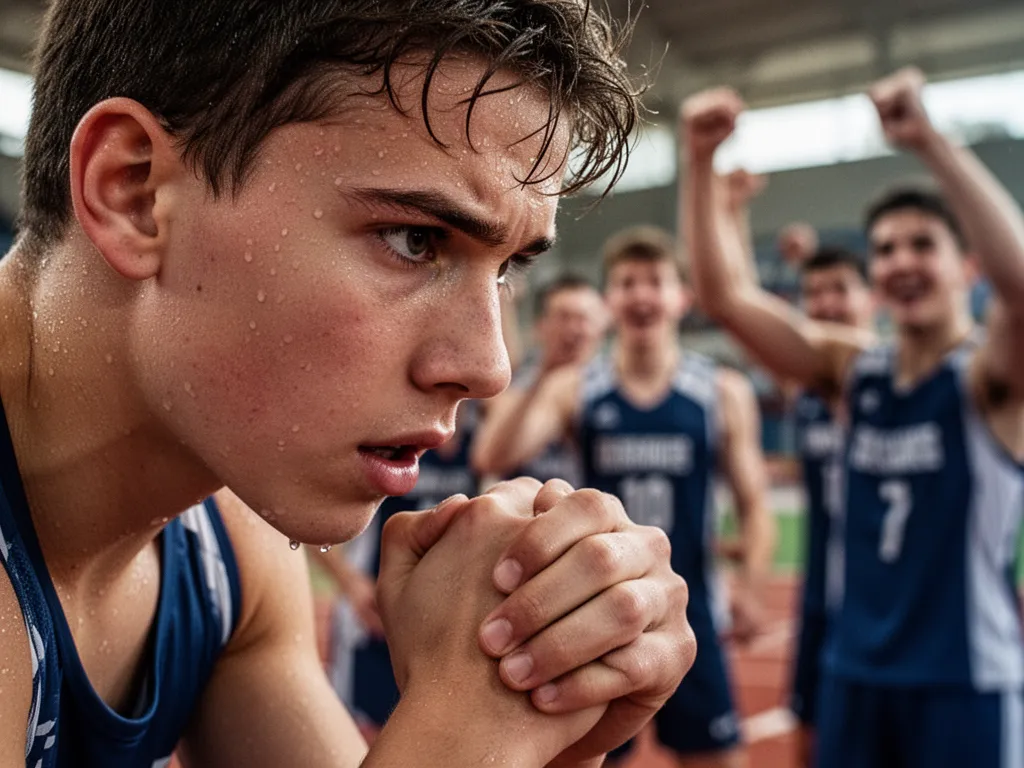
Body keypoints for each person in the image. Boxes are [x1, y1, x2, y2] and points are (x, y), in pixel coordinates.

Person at [0, 2, 699, 766]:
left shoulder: (227, 542)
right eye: (414, 240)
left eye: (506, 269)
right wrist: (472, 724)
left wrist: (542, 717)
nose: (488, 367)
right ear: (134, 191)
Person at [683, 68, 1024, 768]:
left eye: (922, 245)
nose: (901, 261)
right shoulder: (853, 370)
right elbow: (724, 298)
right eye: (888, 249)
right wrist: (696, 160)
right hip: (854, 670)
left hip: (962, 682)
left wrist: (930, 141)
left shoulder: (991, 378)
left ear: (968, 267)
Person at [473, 226, 776, 768]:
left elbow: (755, 504)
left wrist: (751, 586)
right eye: (626, 283)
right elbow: (494, 452)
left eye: (655, 282)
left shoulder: (720, 392)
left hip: (692, 606)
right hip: (597, 606)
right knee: (593, 758)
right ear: (609, 302)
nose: (641, 294)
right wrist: (547, 371)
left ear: (681, 297)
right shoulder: (578, 388)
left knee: (717, 757)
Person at [316, 401, 482, 740]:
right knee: (360, 740)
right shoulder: (391, 433)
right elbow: (316, 516)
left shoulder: (482, 436)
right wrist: (350, 581)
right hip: (373, 621)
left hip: (442, 625)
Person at [785, 247, 875, 766]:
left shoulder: (908, 384)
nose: (825, 303)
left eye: (840, 289)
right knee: (811, 738)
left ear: (871, 296)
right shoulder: (806, 395)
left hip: (897, 602)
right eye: (814, 293)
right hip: (821, 594)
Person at [473, 274, 606, 487]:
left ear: (602, 326)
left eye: (584, 318)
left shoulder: (611, 388)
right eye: (564, 317)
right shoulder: (516, 384)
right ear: (540, 326)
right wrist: (544, 376)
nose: (574, 329)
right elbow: (488, 460)